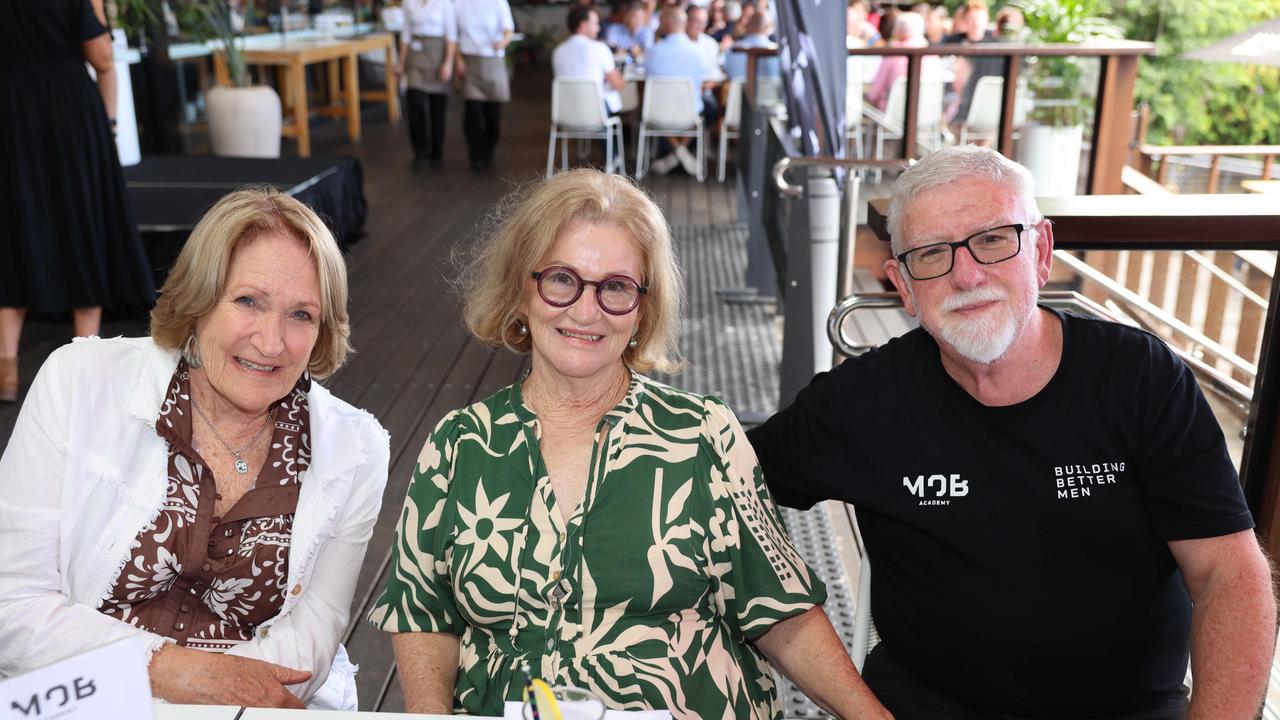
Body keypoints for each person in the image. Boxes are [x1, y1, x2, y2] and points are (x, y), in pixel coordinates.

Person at [747, 146, 1276, 720]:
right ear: (903, 285)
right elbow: (717, 477)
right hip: (926, 705)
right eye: (931, 254)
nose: (966, 274)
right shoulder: (862, 400)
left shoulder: (1139, 380)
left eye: (994, 240)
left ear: (1042, 251)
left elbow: (1230, 573)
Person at [368, 169, 892, 720]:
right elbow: (423, 614)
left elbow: (781, 614)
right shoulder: (459, 446)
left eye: (615, 287)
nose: (586, 310)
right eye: (562, 279)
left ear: (643, 307)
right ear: (521, 290)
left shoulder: (702, 436)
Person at [0, 188, 391, 710]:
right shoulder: (77, 383)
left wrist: (223, 702)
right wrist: (168, 672)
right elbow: (12, 602)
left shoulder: (357, 448)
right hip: (85, 695)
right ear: (199, 300)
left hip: (254, 708)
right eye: (248, 301)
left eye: (301, 315)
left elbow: (316, 630)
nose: (271, 342)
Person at [0, 0, 156, 403]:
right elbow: (102, 57)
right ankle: (85, 364)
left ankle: (6, 368)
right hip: (67, 116)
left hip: (11, 115)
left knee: (15, 230)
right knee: (81, 226)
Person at [645, 7, 713, 177]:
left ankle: (676, 154)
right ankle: (682, 153)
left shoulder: (653, 52)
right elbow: (705, 80)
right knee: (705, 109)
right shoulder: (698, 52)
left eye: (660, 22)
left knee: (652, 110)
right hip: (689, 112)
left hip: (657, 112)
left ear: (668, 25)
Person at [455, 0, 515, 172]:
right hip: (469, 61)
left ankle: (489, 147)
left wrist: (502, 43)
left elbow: (508, 31)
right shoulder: (459, 4)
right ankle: (476, 156)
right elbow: (453, 35)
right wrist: (458, 59)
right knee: (472, 110)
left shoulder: (498, 3)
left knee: (493, 113)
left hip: (493, 60)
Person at [396, 0, 457, 169]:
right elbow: (406, 34)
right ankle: (419, 151)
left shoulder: (445, 4)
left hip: (438, 56)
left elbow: (451, 36)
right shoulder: (409, 3)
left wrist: (448, 63)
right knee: (414, 103)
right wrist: (401, 63)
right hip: (416, 57)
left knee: (437, 108)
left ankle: (437, 151)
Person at [553, 4, 625, 117]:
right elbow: (617, 84)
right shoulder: (600, 48)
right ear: (583, 25)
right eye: (596, 24)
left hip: (566, 113)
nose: (599, 28)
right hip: (595, 113)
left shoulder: (558, 51)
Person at [865, 12, 934, 111]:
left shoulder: (893, 55)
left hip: (892, 118)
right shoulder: (932, 57)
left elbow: (874, 94)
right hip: (926, 115)